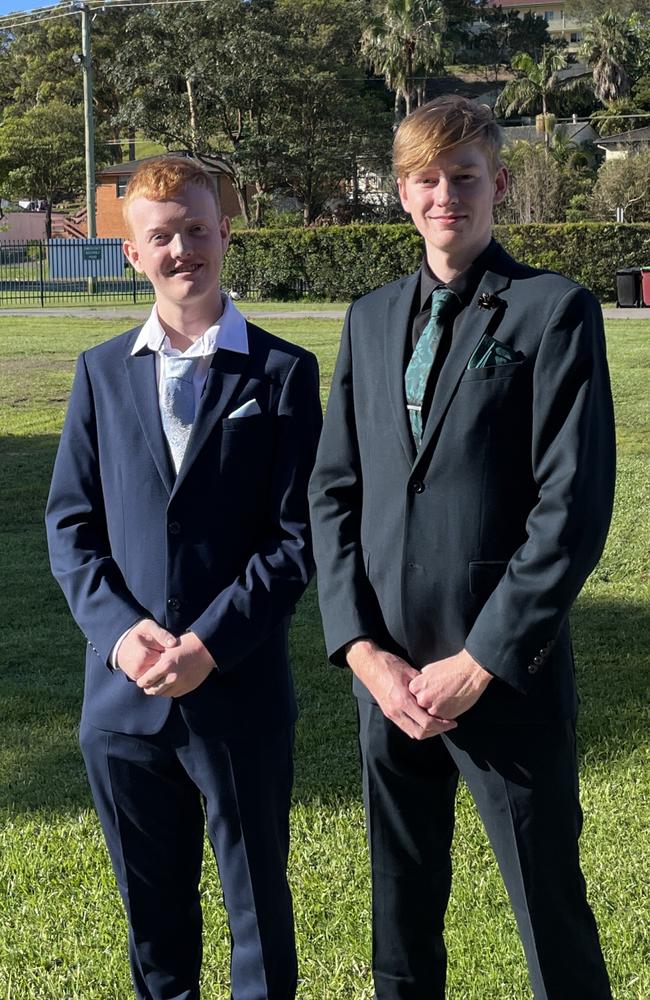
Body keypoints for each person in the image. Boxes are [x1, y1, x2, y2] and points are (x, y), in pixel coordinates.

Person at [308, 96, 615, 1000]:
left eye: (466, 177)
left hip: (502, 674)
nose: (448, 195)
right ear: (403, 194)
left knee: (549, 910)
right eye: (428, 180)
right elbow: (334, 493)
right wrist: (363, 652)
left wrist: (478, 662)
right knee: (399, 920)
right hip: (388, 685)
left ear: (499, 186)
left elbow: (572, 508)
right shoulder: (367, 321)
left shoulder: (553, 311)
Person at [46, 155, 321, 1000]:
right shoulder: (99, 372)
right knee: (153, 917)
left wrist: (209, 643)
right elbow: (70, 526)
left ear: (225, 233)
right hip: (123, 701)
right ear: (132, 254)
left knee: (256, 913)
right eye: (159, 237)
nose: (181, 250)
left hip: (235, 689)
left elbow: (297, 535)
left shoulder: (281, 373)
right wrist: (123, 636)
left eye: (196, 230)